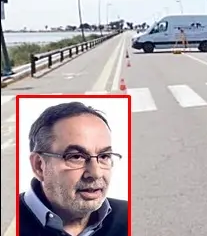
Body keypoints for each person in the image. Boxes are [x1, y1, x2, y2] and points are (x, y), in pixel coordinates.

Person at [20, 101, 128, 236]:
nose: (96, 173)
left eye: (104, 156)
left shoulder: (127, 216)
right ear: (39, 166)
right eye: (76, 157)